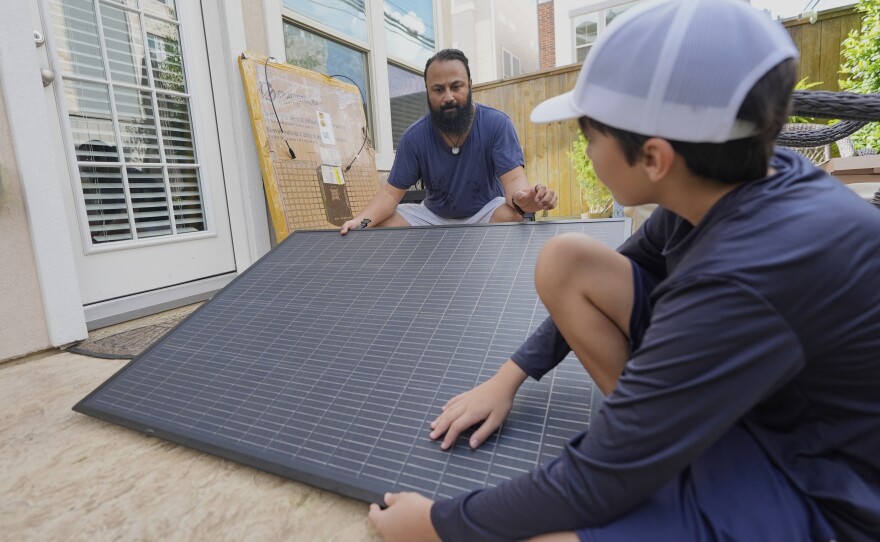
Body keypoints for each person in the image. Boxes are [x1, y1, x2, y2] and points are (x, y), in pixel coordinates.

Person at [367, 0, 880, 540]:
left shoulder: (746, 274)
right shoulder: (733, 180)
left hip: (818, 484)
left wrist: (436, 524)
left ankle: (666, 454)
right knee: (566, 260)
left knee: (549, 536)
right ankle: (661, 439)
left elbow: (592, 483)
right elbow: (617, 272)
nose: (585, 152)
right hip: (761, 403)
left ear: (654, 158)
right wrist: (507, 378)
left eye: (589, 136)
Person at [340, 49, 557, 234]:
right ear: (427, 90)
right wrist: (361, 221)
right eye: (438, 89)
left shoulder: (497, 124)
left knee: (514, 216)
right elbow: (389, 195)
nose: (448, 96)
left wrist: (524, 199)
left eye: (456, 87)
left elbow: (514, 182)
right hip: (433, 216)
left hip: (485, 213)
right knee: (381, 223)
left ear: (470, 85)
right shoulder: (414, 137)